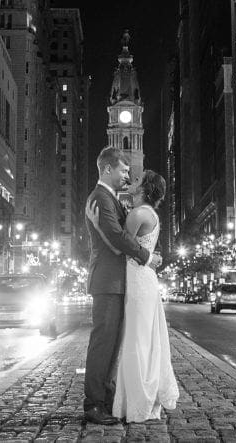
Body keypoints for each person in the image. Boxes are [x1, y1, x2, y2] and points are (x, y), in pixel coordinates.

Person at [90, 169, 178, 423]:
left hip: (138, 281)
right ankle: (140, 399)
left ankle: (138, 401)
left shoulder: (139, 213)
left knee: (136, 342)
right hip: (141, 280)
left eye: (137, 180)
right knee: (143, 341)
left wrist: (98, 225)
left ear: (144, 188)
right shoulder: (146, 213)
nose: (131, 180)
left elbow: (120, 243)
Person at [81, 147, 161, 426]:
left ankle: (106, 398)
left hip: (117, 281)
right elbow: (115, 236)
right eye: (124, 170)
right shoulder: (101, 198)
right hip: (107, 281)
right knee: (103, 344)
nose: (128, 175)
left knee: (113, 344)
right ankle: (93, 404)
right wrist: (146, 256)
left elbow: (117, 233)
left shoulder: (111, 199)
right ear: (107, 170)